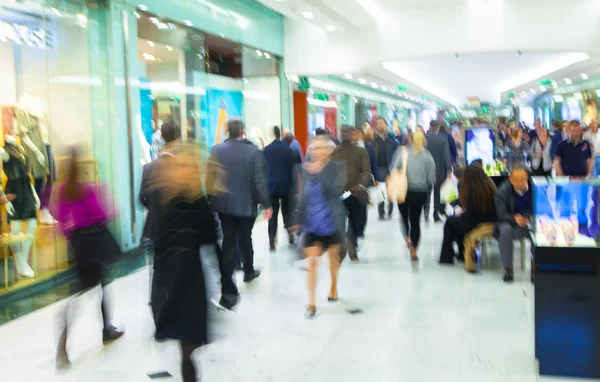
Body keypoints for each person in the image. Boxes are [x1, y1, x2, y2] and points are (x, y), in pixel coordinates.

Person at [148, 142, 217, 382]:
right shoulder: (164, 199)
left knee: (188, 347)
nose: (189, 171)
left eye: (193, 166)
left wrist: (226, 282)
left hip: (191, 281)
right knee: (185, 347)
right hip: (171, 281)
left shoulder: (197, 201)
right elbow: (158, 243)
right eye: (185, 165)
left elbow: (210, 240)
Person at [52, 146, 123, 368]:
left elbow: (60, 218)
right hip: (94, 245)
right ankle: (104, 331)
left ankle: (69, 345)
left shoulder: (63, 190)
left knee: (84, 290)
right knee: (98, 288)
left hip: (79, 245)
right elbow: (101, 215)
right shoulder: (87, 190)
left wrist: (71, 237)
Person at [206, 119, 273, 310]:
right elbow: (259, 180)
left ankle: (228, 287)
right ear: (242, 131)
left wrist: (210, 199)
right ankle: (248, 271)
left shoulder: (217, 150)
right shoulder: (253, 151)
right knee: (245, 236)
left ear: (228, 132)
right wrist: (267, 204)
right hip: (246, 205)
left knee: (228, 242)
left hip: (224, 205)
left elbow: (209, 177)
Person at [289, 136, 346, 318]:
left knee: (333, 260)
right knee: (312, 262)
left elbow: (335, 190)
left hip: (332, 221)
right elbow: (303, 195)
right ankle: (311, 303)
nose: (317, 151)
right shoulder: (307, 170)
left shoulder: (337, 168)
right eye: (314, 148)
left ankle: (333, 286)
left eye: (321, 148)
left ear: (329, 151)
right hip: (312, 223)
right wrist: (297, 218)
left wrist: (319, 171)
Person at [439, 165, 496, 270]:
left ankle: (446, 257)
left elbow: (470, 214)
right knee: (458, 223)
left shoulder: (472, 191)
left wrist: (459, 213)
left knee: (450, 222)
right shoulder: (489, 187)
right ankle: (461, 254)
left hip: (476, 223)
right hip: (490, 221)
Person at [390, 130, 436, 261]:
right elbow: (431, 179)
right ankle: (414, 249)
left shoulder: (403, 152)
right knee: (415, 221)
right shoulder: (428, 156)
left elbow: (393, 168)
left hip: (403, 191)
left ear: (410, 140)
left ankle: (407, 239)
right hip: (420, 192)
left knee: (404, 217)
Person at [331, 126, 371, 262]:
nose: (345, 135)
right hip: (339, 193)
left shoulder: (361, 151)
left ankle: (352, 248)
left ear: (353, 134)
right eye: (342, 132)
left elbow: (366, 171)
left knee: (354, 222)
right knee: (340, 222)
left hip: (354, 193)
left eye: (347, 133)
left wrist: (361, 186)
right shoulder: (335, 152)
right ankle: (344, 248)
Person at [495, 165, 534, 282]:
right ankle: (508, 270)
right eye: (515, 180)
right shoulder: (502, 191)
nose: (519, 182)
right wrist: (514, 218)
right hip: (509, 221)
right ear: (510, 179)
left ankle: (535, 271)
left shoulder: (535, 188)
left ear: (527, 178)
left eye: (522, 179)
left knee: (538, 232)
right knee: (505, 231)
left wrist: (529, 219)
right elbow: (500, 213)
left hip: (529, 222)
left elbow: (542, 209)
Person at [263, 126, 296, 251]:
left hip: (271, 186)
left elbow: (264, 168)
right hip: (286, 185)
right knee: (287, 211)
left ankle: (272, 240)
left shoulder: (266, 149)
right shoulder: (287, 149)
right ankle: (290, 233)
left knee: (273, 213)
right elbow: (292, 167)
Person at [425, 120, 452, 222]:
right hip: (438, 171)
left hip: (426, 171)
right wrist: (449, 169)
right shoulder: (442, 140)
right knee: (437, 193)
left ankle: (426, 209)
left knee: (427, 191)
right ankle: (435, 214)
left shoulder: (425, 139)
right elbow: (446, 155)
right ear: (438, 126)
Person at [374, 118, 398, 220]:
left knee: (389, 192)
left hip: (390, 169)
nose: (380, 126)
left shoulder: (392, 140)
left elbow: (397, 154)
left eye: (382, 124)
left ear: (386, 125)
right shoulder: (375, 140)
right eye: (378, 124)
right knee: (381, 192)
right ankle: (381, 213)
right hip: (379, 169)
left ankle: (390, 211)